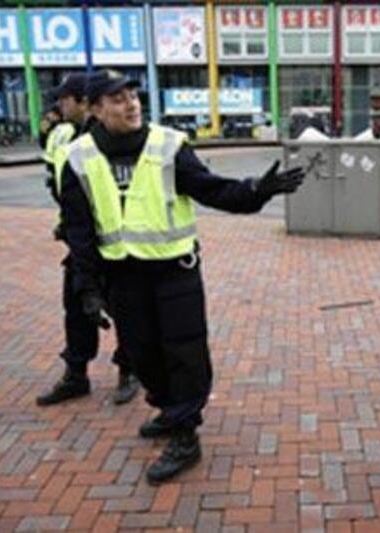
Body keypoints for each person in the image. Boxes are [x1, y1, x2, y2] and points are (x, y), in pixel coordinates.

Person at [59, 69, 305, 484]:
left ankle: (185, 432)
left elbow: (213, 190)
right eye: (118, 99)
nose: (131, 104)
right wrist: (86, 286)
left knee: (184, 353)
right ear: (97, 108)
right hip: (123, 278)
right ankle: (170, 409)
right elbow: (78, 229)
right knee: (141, 354)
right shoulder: (79, 157)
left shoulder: (167, 146)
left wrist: (256, 191)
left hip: (175, 273)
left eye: (133, 96)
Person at [37, 72, 140, 407]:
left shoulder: (118, 138)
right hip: (82, 243)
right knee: (78, 305)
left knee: (124, 310)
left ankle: (129, 370)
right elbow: (67, 192)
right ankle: (76, 373)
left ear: (86, 104)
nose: (60, 106)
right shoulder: (72, 140)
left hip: (120, 247)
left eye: (65, 99)